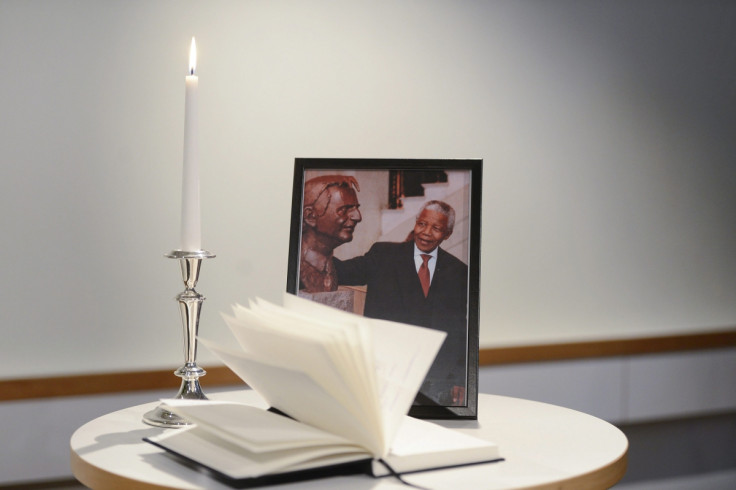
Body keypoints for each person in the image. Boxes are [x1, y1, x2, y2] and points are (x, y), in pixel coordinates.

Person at [334, 200, 468, 406]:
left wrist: (460, 377)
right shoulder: (383, 255)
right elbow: (341, 271)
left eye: (436, 228)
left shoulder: (458, 271)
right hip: (385, 374)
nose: (426, 232)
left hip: (435, 382)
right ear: (415, 223)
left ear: (447, 234)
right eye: (422, 224)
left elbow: (461, 329)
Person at [299, 175, 362, 293]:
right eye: (344, 210)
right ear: (310, 216)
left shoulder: (332, 268)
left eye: (355, 208)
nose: (358, 217)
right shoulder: (289, 269)